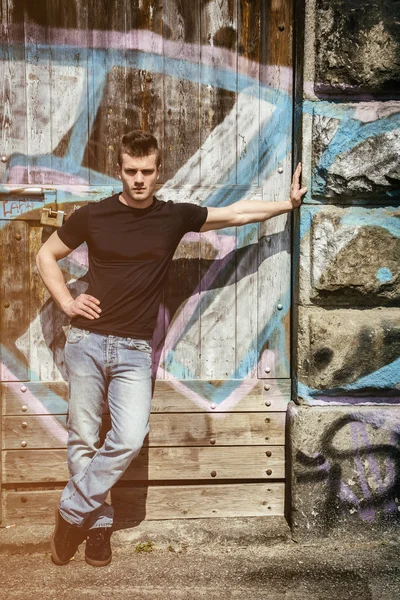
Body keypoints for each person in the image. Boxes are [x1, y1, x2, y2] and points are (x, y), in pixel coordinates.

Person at [36, 130, 307, 567]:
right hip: (86, 341)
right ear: (119, 170)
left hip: (134, 351)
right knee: (83, 437)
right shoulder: (93, 216)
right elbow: (46, 255)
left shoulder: (173, 216)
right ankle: (99, 525)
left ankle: (71, 514)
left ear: (158, 172)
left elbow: (237, 214)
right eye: (130, 171)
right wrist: (67, 301)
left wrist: (288, 204)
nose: (138, 179)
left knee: (127, 438)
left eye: (146, 172)